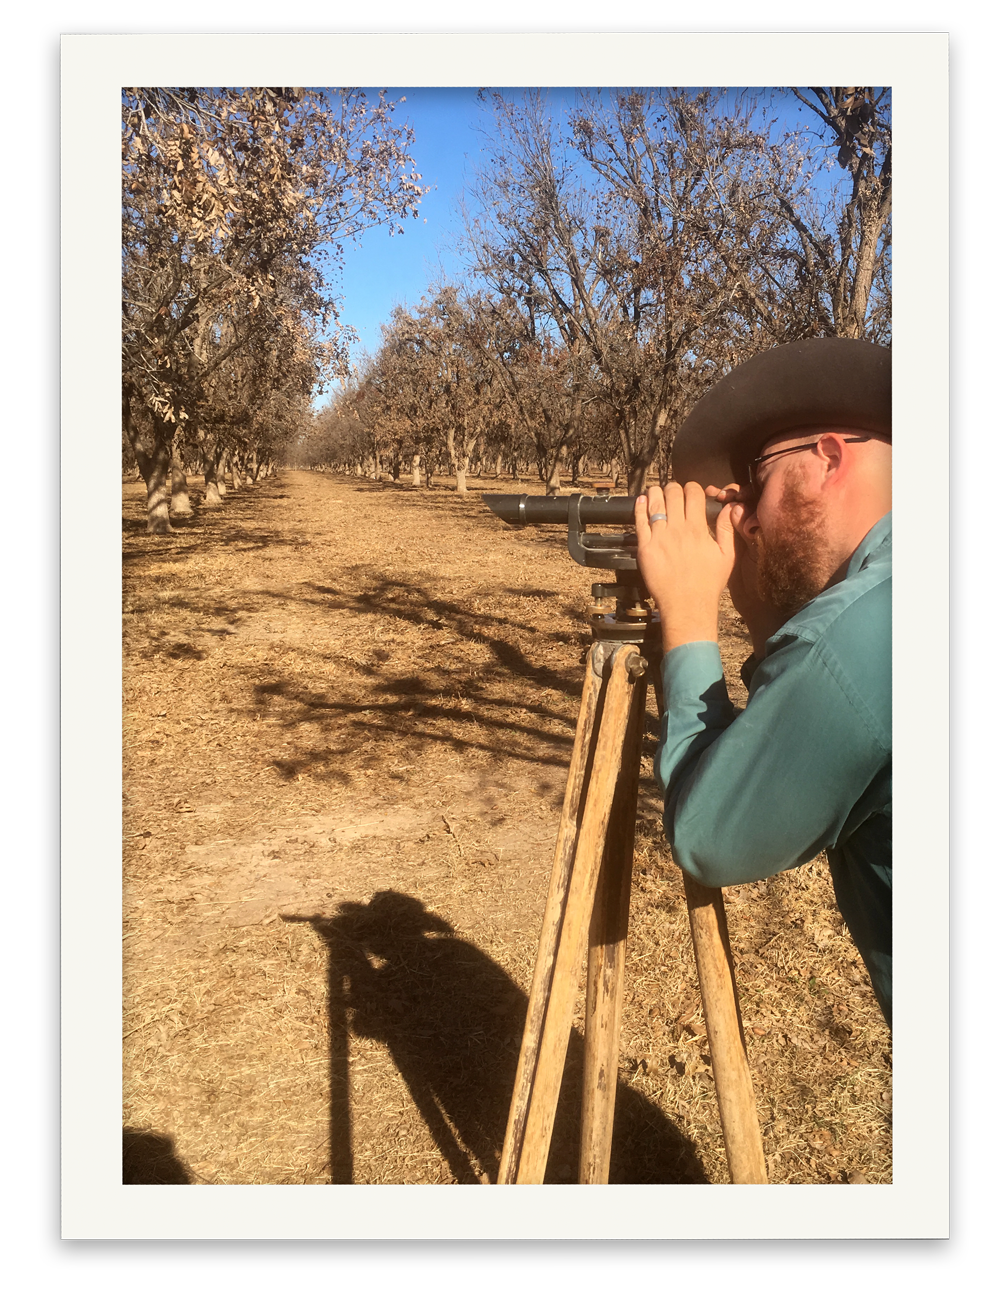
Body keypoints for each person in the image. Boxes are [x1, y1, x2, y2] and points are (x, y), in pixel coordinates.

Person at [633, 338, 892, 1026]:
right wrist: (761, 607)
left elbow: (711, 835)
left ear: (830, 458)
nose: (742, 513)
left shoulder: (864, 633)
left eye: (757, 480)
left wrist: (688, 614)